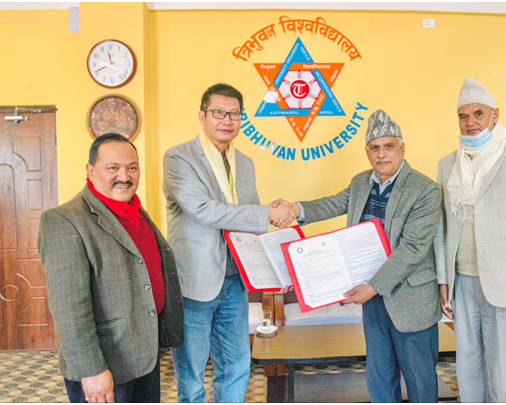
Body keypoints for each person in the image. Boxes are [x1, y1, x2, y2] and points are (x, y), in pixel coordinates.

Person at [272, 109, 442, 403]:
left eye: (389, 146)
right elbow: (332, 204)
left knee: (420, 379)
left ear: (402, 148)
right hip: (371, 298)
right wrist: (294, 209)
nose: (381, 154)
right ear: (367, 151)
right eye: (374, 148)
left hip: (410, 298)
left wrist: (373, 286)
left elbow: (413, 250)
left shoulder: (424, 189)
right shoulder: (361, 182)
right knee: (379, 375)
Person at [162, 83, 294, 402]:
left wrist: (274, 270)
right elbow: (205, 210)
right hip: (195, 282)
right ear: (202, 116)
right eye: (219, 112)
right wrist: (267, 213)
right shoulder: (178, 158)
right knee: (192, 374)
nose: (227, 120)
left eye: (235, 114)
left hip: (235, 280)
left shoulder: (244, 162)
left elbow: (249, 224)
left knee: (237, 365)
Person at [37, 133, 184, 403]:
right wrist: (92, 370)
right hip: (104, 365)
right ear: (91, 171)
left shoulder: (135, 212)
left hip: (144, 357)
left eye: (132, 167)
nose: (124, 176)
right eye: (113, 167)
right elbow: (69, 309)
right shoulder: (64, 220)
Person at [434, 77, 506, 402]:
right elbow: (442, 228)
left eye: (478, 113)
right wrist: (444, 280)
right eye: (463, 116)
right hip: (463, 285)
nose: (470, 122)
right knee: (468, 369)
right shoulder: (448, 164)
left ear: (495, 115)